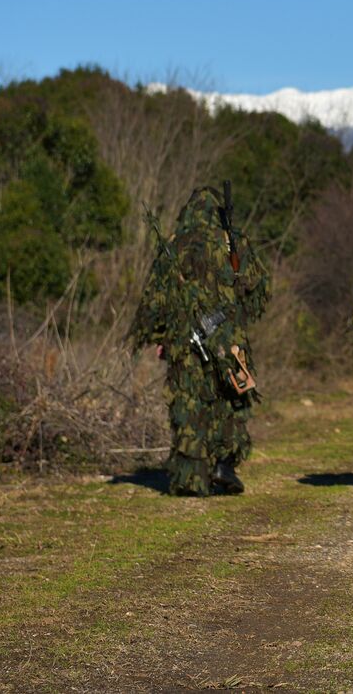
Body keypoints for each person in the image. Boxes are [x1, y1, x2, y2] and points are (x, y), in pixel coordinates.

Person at [131, 183, 269, 497]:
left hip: (182, 339)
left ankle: (191, 478)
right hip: (228, 338)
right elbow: (257, 290)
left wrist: (159, 335)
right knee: (231, 400)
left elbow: (156, 298)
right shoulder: (232, 242)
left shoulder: (174, 245)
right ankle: (223, 465)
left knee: (189, 406)